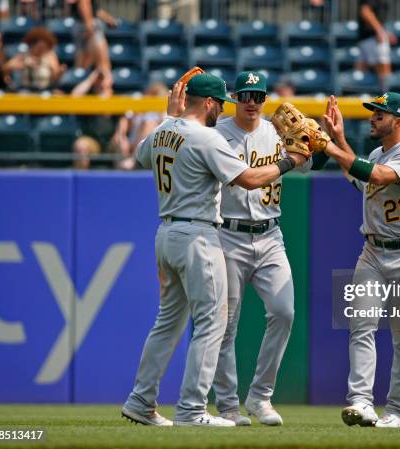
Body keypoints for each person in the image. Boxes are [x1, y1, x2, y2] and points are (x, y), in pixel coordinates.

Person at [121, 73, 307, 427]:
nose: (222, 110)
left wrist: (170, 117)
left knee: (167, 323)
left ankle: (141, 401)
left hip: (166, 233)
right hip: (198, 234)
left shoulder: (163, 130)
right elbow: (249, 179)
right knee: (212, 322)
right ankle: (192, 409)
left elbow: (143, 155)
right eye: (220, 103)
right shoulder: (206, 137)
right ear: (207, 103)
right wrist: (291, 162)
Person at [207, 71, 328, 426]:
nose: (251, 102)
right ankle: (228, 406)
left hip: (270, 235)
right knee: (226, 325)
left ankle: (260, 397)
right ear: (235, 98)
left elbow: (314, 165)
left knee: (284, 311)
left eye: (258, 96)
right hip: (227, 235)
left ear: (264, 100)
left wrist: (324, 140)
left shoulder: (277, 132)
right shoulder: (217, 135)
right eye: (245, 95)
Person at [321, 92, 400, 428]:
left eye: (380, 114)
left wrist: (329, 147)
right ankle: (360, 402)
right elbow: (360, 176)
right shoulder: (375, 153)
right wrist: (338, 139)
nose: (372, 118)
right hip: (372, 251)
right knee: (361, 325)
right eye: (373, 113)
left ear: (398, 122)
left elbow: (379, 177)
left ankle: (398, 411)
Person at [111, 81, 168, 170]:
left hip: (152, 145)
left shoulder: (163, 106)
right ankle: (117, 175)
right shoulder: (138, 99)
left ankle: (133, 160)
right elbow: (125, 120)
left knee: (148, 124)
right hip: (132, 141)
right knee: (120, 141)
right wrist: (121, 135)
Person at [3, 27, 65, 92]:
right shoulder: (23, 55)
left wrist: (59, 71)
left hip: (44, 91)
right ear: (33, 44)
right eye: (40, 47)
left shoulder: (50, 56)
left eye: (45, 47)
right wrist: (23, 64)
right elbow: (6, 68)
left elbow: (56, 76)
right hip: (25, 91)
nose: (42, 50)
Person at [72, 0, 115, 87]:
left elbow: (96, 10)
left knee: (83, 62)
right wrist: (89, 25)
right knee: (102, 64)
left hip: (85, 25)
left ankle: (78, 85)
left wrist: (108, 18)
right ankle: (105, 86)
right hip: (88, 26)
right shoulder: (89, 24)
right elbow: (84, 2)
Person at [356, 0, 396, 92]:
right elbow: (365, 11)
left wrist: (384, 31)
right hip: (371, 39)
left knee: (362, 72)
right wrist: (380, 31)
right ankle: (385, 99)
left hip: (368, 38)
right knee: (383, 70)